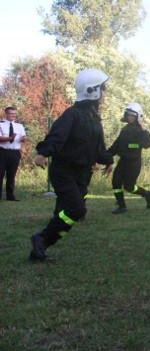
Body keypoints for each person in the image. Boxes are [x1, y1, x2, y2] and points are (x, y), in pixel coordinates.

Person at [29, 68, 113, 260]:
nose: (105, 93)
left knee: (68, 213)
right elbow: (57, 136)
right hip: (64, 172)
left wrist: (108, 160)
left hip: (82, 173)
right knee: (77, 209)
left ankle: (41, 247)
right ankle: (41, 238)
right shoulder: (72, 114)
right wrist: (43, 152)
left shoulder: (94, 118)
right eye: (103, 88)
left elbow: (98, 147)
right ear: (92, 90)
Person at [109, 103, 150, 214]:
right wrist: (105, 156)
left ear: (138, 116)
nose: (129, 117)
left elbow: (148, 144)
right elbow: (116, 146)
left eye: (132, 115)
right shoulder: (125, 129)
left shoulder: (140, 130)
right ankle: (121, 206)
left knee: (129, 187)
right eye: (128, 115)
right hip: (123, 161)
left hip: (133, 163)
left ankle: (148, 194)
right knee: (115, 182)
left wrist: (144, 130)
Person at [0, 106, 27, 201]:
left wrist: (23, 139)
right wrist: (10, 138)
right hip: (2, 152)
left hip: (15, 152)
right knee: (0, 173)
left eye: (14, 114)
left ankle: (10, 196)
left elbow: (24, 137)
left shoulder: (19, 126)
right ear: (6, 114)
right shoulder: (1, 124)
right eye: (11, 113)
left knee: (12, 174)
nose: (13, 115)